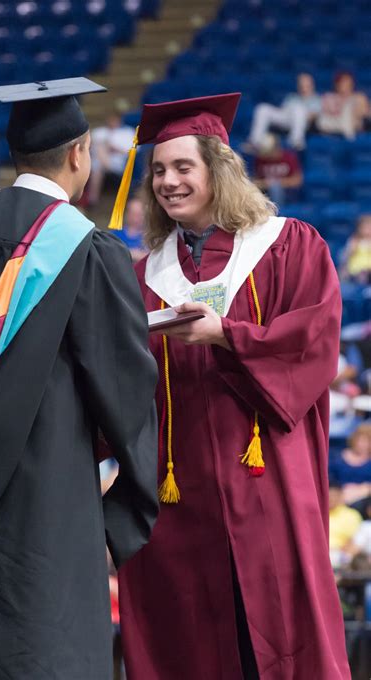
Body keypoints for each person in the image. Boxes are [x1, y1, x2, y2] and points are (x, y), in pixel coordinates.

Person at [0, 77, 159, 679]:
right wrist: (122, 509)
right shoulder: (89, 250)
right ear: (78, 155)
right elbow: (126, 396)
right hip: (44, 514)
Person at [110, 93, 351, 678]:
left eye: (182, 167)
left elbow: (314, 341)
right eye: (159, 171)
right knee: (191, 640)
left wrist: (229, 336)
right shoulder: (143, 275)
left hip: (267, 476)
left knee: (278, 630)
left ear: (217, 169)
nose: (168, 181)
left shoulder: (287, 245)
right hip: (178, 492)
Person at [246, 72, 321, 150]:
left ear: (312, 85)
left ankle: (295, 142)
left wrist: (302, 113)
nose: (303, 87)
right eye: (301, 84)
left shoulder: (316, 99)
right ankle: (254, 141)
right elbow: (282, 110)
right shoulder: (292, 96)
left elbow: (314, 116)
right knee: (262, 108)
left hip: (303, 122)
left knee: (299, 109)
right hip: (286, 118)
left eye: (306, 84)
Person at [88, 112, 136, 206]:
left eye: (115, 120)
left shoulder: (127, 133)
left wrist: (114, 149)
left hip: (119, 163)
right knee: (98, 160)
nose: (113, 122)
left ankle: (92, 198)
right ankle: (93, 199)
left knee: (99, 160)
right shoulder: (99, 131)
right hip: (96, 162)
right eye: (111, 119)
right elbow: (90, 146)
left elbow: (132, 151)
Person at [252, 133, 303, 207]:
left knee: (275, 188)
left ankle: (277, 211)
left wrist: (276, 183)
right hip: (265, 193)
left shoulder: (289, 158)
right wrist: (264, 183)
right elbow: (256, 180)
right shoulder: (260, 160)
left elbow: (297, 180)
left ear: (276, 148)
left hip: (287, 194)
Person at [316, 71, 370, 141]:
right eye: (343, 83)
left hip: (353, 127)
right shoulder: (329, 96)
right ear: (337, 84)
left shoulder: (359, 97)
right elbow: (326, 114)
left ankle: (349, 140)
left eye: (348, 83)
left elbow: (363, 113)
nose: (345, 85)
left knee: (348, 108)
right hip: (333, 124)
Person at [329, 423, 371, 505]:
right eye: (360, 440)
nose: (362, 444)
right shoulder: (336, 458)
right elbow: (329, 480)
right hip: (337, 498)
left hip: (363, 501)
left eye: (367, 441)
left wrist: (361, 491)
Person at [329, 482, 363, 569]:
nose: (331, 498)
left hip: (342, 556)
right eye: (329, 495)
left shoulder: (352, 515)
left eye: (334, 495)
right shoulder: (317, 515)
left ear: (341, 495)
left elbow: (356, 542)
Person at [115, 195, 148, 263]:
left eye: (140, 214)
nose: (137, 218)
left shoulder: (150, 236)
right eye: (133, 214)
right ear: (126, 214)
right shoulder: (115, 235)